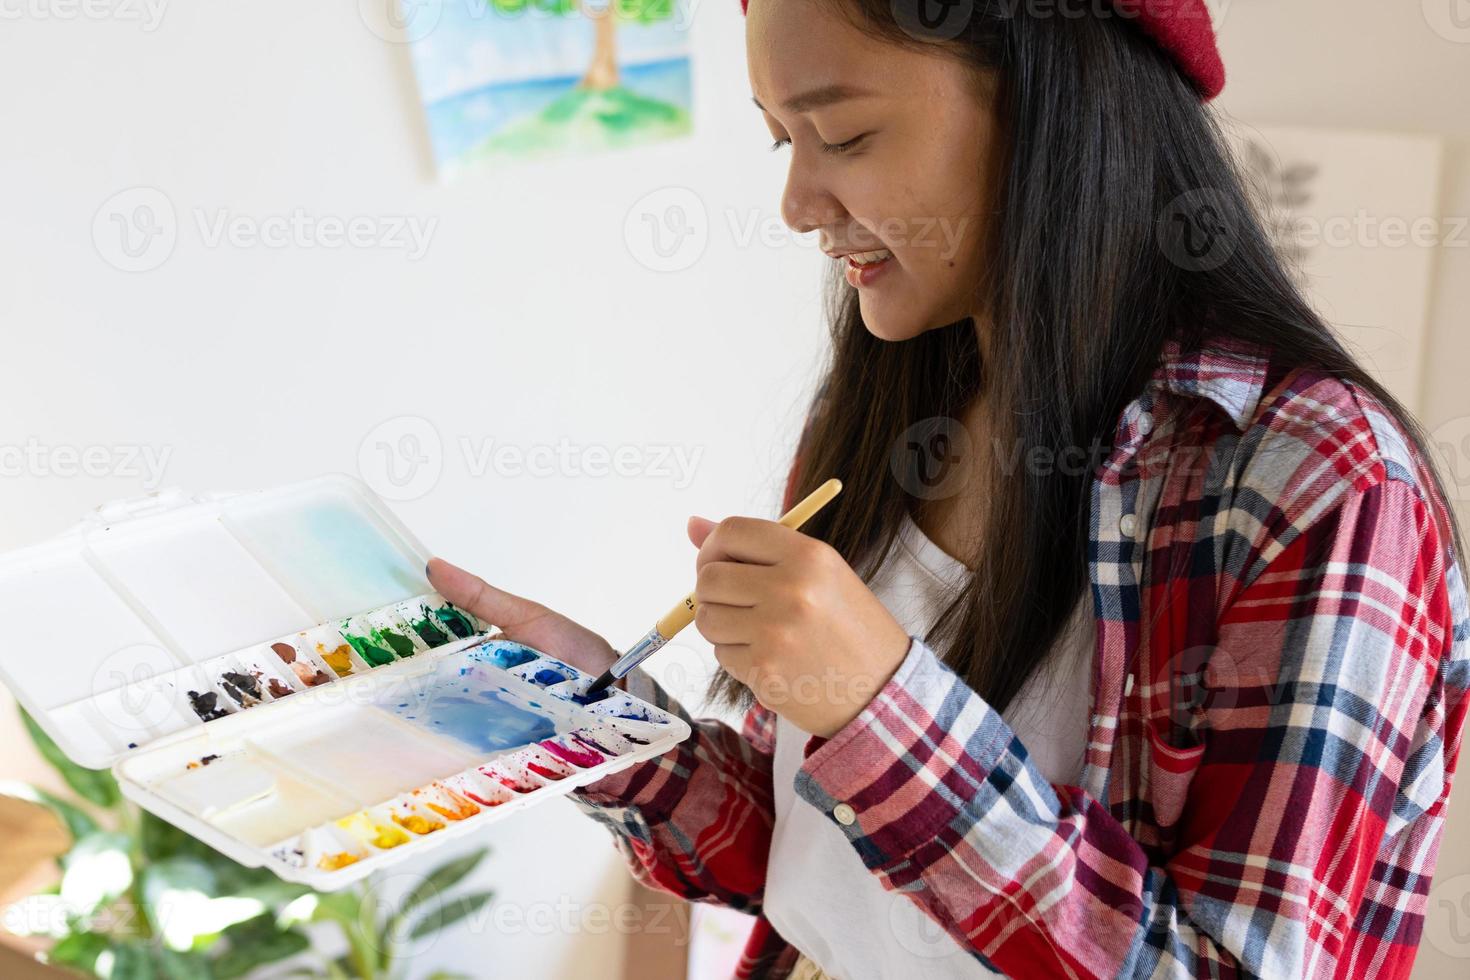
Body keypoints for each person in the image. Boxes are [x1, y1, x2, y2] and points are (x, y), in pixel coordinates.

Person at [428, 0, 1470, 975]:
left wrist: (880, 705)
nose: (796, 205)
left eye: (844, 135)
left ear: (1053, 105)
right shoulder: (888, 409)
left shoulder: (1321, 482)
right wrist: (585, 711)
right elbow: (806, 855)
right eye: (781, 140)